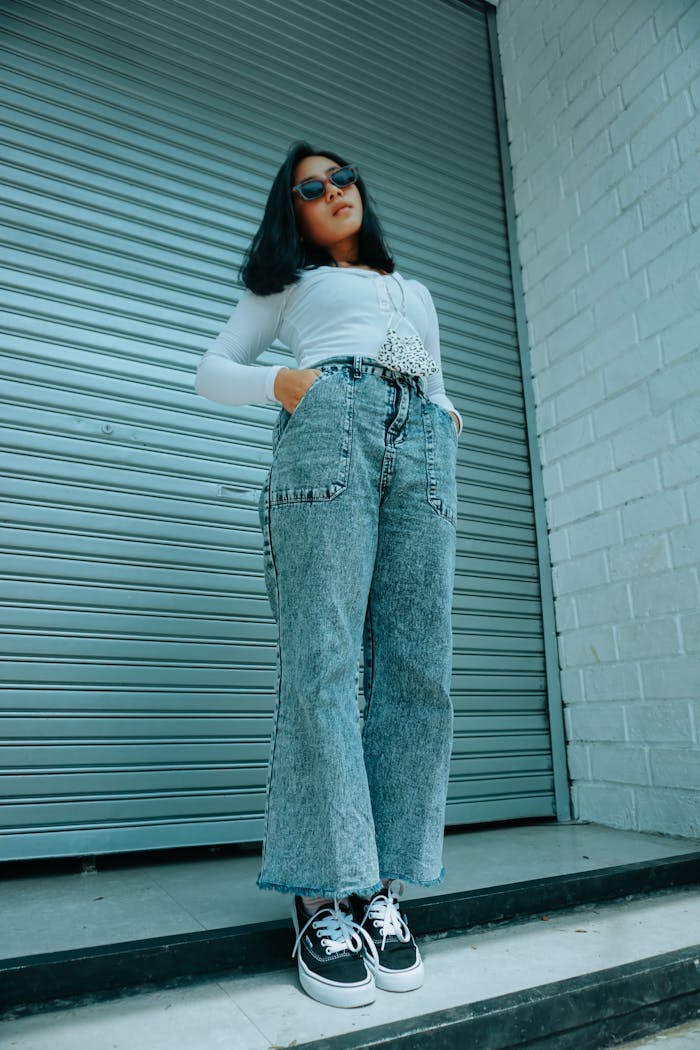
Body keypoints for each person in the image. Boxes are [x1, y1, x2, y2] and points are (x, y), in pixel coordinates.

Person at [194, 141, 462, 1010]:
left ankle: (377, 887)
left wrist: (446, 424)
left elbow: (439, 378)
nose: (334, 192)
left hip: (422, 447)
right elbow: (211, 371)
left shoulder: (412, 289)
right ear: (294, 210)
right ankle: (320, 890)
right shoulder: (290, 282)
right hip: (330, 426)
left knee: (419, 673)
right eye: (312, 188)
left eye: (343, 177)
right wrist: (286, 385)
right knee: (325, 661)